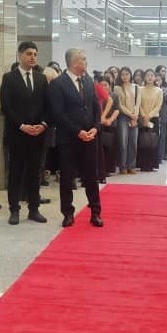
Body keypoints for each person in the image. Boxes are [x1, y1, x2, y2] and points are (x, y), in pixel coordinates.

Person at [48, 48, 103, 228]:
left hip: (90, 137)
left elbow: (96, 108)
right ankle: (68, 213)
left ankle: (95, 212)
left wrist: (95, 127)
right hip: (68, 139)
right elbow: (58, 114)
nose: (87, 62)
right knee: (67, 178)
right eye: (84, 59)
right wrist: (77, 131)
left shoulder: (88, 81)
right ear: (73, 63)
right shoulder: (58, 84)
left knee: (91, 177)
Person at [0, 41, 50, 226]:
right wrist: (22, 125)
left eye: (35, 54)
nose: (32, 57)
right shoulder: (9, 78)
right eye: (29, 54)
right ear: (20, 55)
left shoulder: (41, 78)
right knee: (15, 173)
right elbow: (6, 106)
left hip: (37, 134)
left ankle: (34, 209)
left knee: (35, 173)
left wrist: (43, 124)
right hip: (17, 134)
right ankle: (14, 209)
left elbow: (47, 105)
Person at [114, 67, 140, 174]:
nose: (125, 76)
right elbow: (120, 105)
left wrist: (135, 116)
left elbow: (138, 103)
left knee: (133, 142)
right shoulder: (117, 88)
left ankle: (131, 166)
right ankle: (123, 166)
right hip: (123, 117)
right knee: (123, 142)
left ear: (130, 75)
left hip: (134, 116)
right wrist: (130, 115)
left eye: (127, 74)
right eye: (122, 74)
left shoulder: (136, 87)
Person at [137, 69, 162, 172]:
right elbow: (138, 104)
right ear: (144, 77)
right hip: (142, 118)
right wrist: (144, 116)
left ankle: (151, 164)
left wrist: (149, 116)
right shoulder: (140, 89)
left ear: (155, 77)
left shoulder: (159, 90)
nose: (150, 77)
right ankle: (142, 164)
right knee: (143, 141)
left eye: (152, 75)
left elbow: (158, 106)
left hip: (154, 118)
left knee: (152, 141)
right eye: (148, 75)